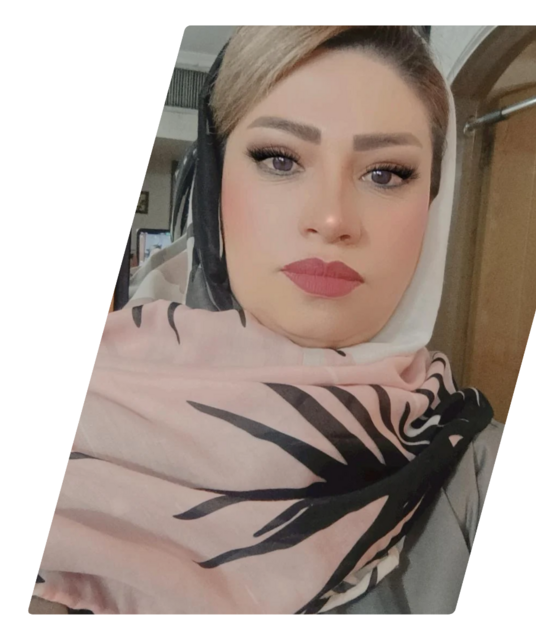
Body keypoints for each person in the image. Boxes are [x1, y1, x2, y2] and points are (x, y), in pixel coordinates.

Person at [31, 26, 503, 615]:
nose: (332, 218)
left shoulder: (481, 475)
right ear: (214, 186)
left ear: (434, 201)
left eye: (385, 173)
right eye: (280, 159)